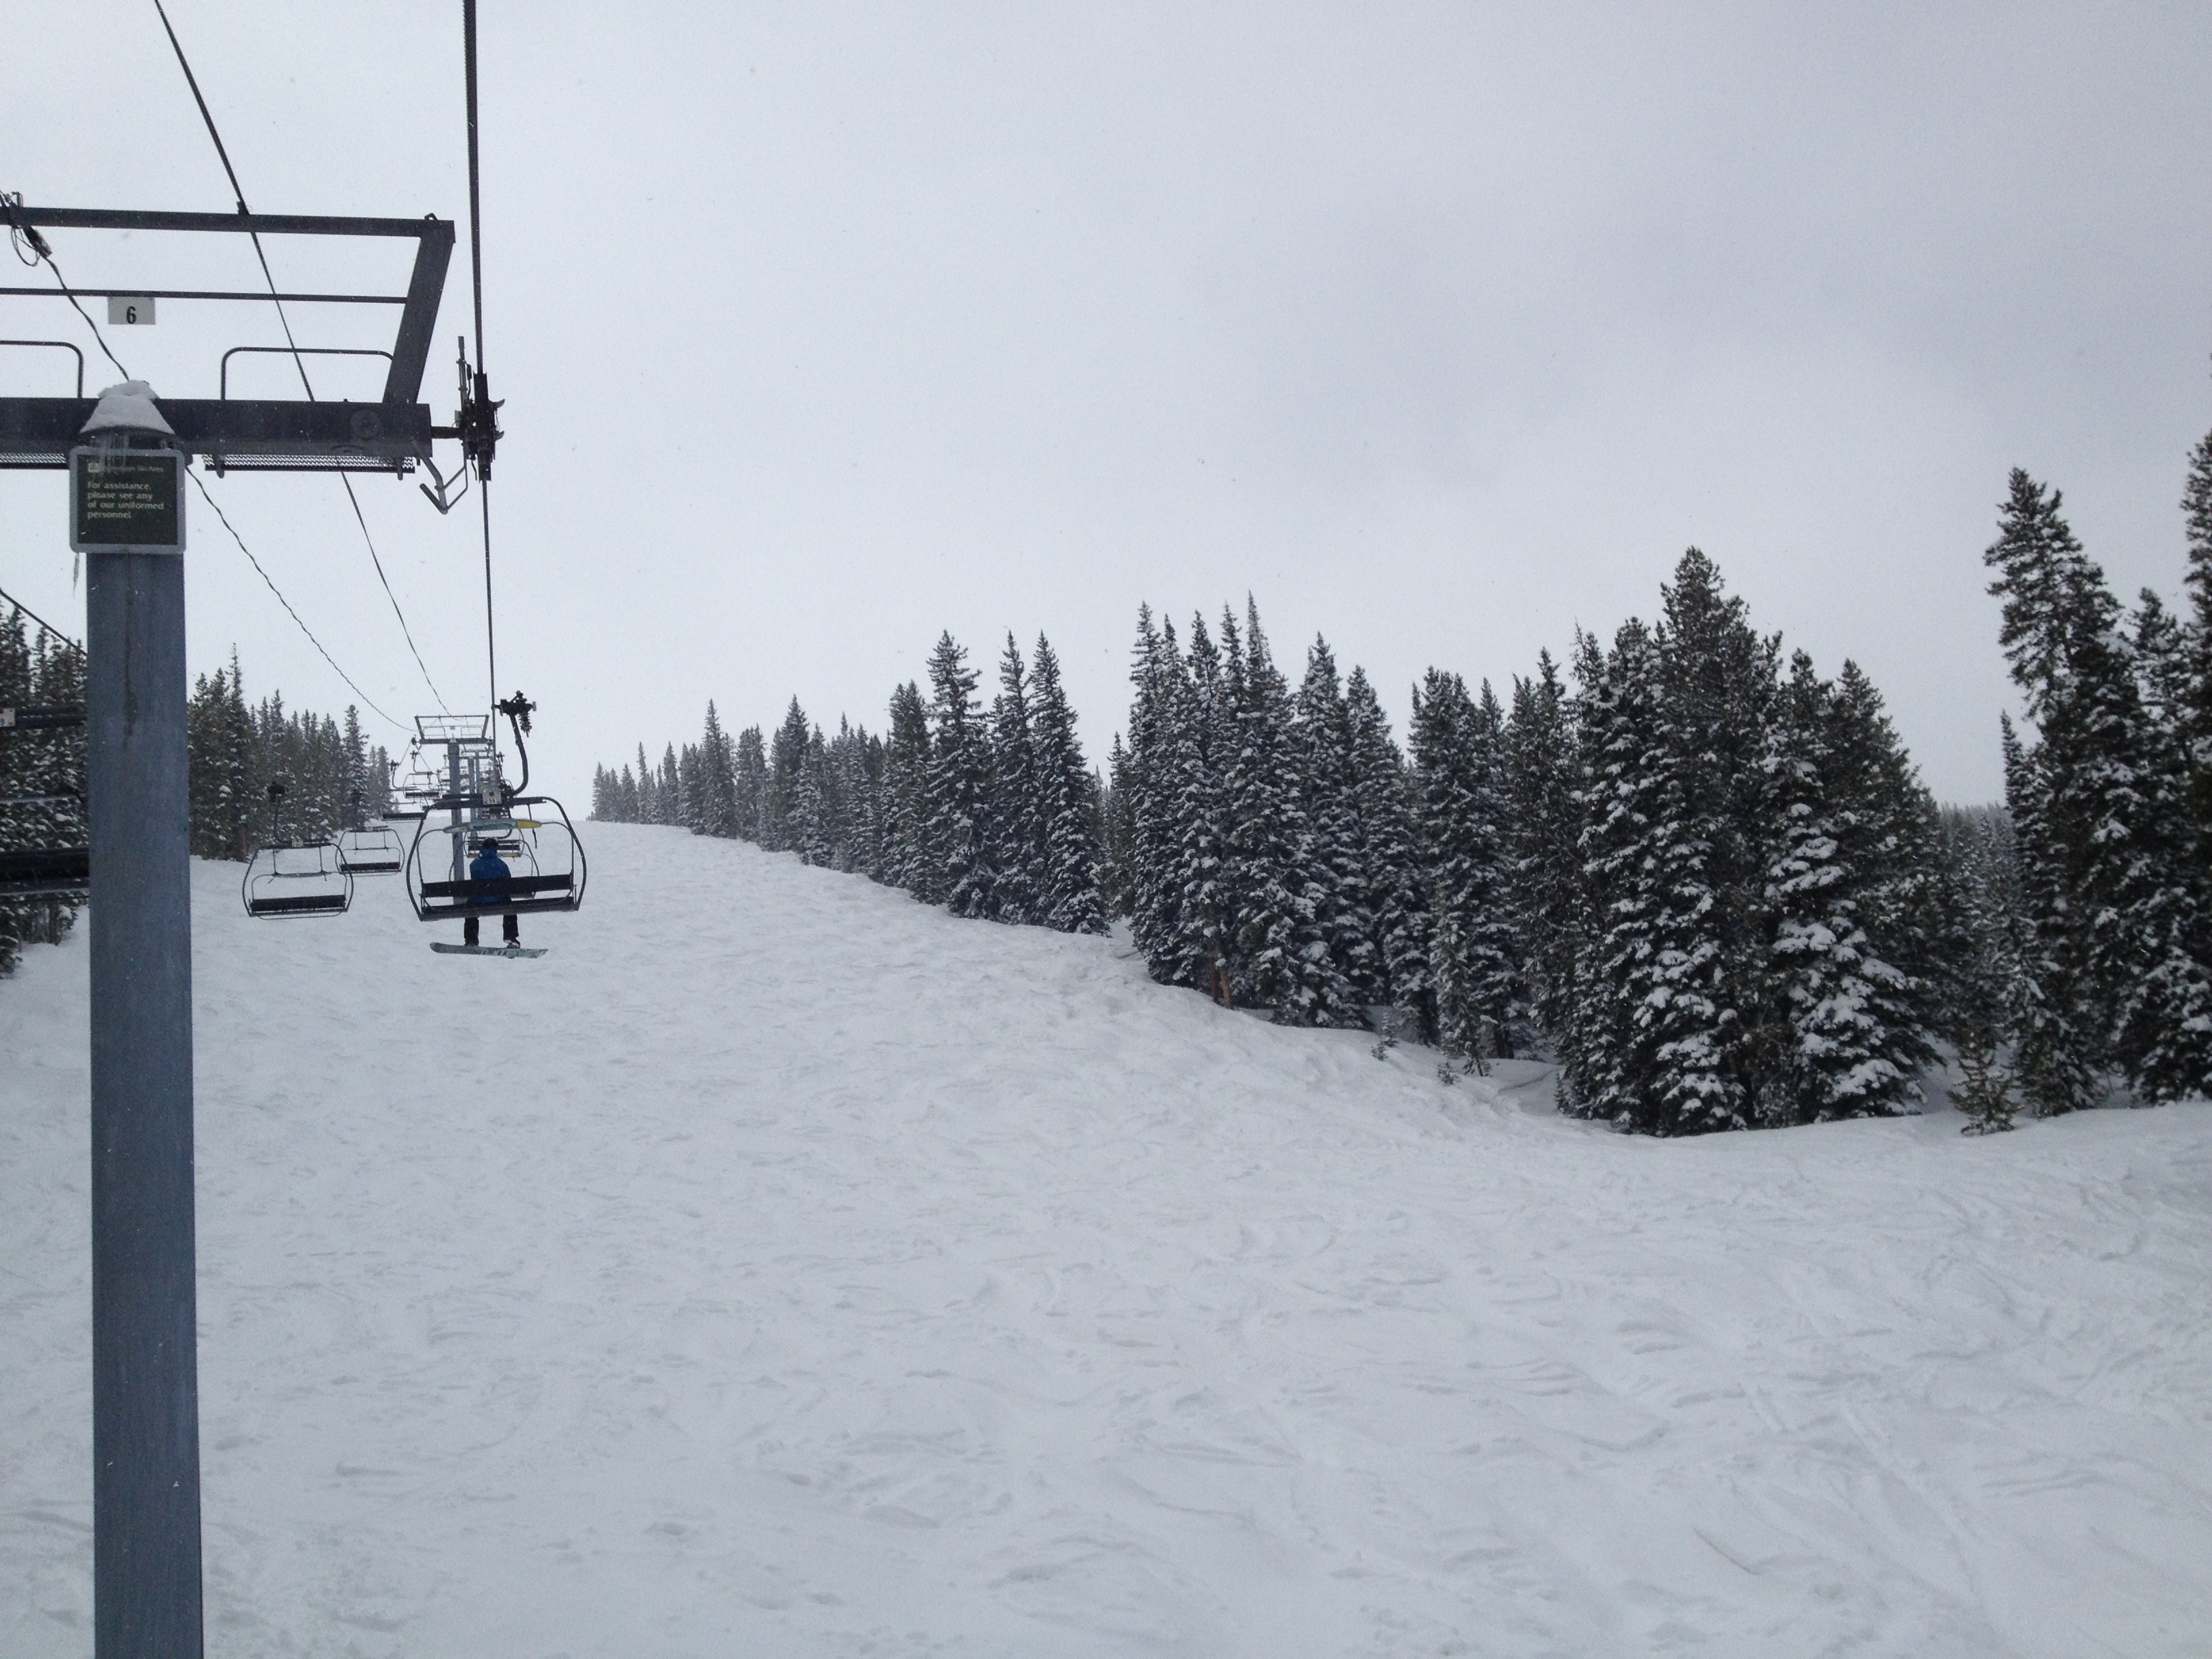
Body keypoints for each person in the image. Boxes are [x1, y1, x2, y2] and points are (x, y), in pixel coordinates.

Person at [463, 835, 520, 949]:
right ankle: (510, 935)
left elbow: (475, 879)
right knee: (510, 908)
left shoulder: (475, 864)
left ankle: (471, 939)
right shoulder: (501, 865)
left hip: (478, 901)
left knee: (470, 911)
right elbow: (508, 881)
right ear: (495, 849)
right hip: (499, 900)